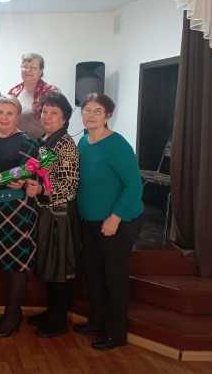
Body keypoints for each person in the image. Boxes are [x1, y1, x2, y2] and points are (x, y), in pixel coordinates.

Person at [74, 93, 143, 351]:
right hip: (89, 221)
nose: (91, 115)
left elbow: (134, 185)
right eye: (87, 110)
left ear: (108, 115)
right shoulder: (83, 142)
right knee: (93, 275)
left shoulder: (117, 144)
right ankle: (96, 323)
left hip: (116, 221)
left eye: (98, 111)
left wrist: (116, 217)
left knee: (114, 278)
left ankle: (116, 333)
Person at [0, 96, 39, 338]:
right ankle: (9, 312)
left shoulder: (27, 142)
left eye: (9, 113)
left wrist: (25, 180)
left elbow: (33, 175)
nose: (4, 117)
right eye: (0, 112)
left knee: (17, 265)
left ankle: (13, 316)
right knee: (4, 263)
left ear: (18, 117)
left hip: (17, 211)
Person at [24, 93, 80, 338]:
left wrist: (41, 190)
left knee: (59, 268)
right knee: (50, 265)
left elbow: (69, 185)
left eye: (54, 113)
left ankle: (58, 321)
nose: (47, 116)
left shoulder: (65, 144)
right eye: (45, 111)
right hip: (46, 211)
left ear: (65, 118)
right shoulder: (46, 141)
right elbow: (44, 174)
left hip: (60, 214)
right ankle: (51, 313)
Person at [8, 53, 59, 139]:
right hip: (17, 141)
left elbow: (56, 120)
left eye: (33, 68)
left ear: (41, 71)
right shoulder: (14, 91)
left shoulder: (51, 92)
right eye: (25, 67)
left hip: (44, 143)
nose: (28, 70)